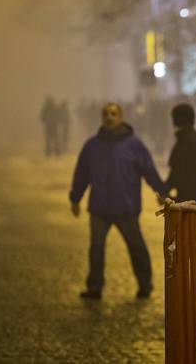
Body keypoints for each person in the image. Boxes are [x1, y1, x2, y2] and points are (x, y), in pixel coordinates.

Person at [69, 102, 168, 300]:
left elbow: (148, 170)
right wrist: (75, 198)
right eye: (106, 114)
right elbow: (82, 174)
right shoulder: (92, 146)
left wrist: (162, 192)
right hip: (99, 208)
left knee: (136, 246)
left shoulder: (134, 145)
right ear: (101, 117)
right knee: (96, 249)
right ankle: (95, 287)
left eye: (113, 114)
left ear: (121, 117)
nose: (109, 117)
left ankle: (145, 284)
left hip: (126, 207)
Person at [167, 103, 196, 202]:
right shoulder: (189, 138)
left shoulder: (189, 140)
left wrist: (166, 189)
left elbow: (191, 172)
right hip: (191, 198)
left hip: (192, 200)